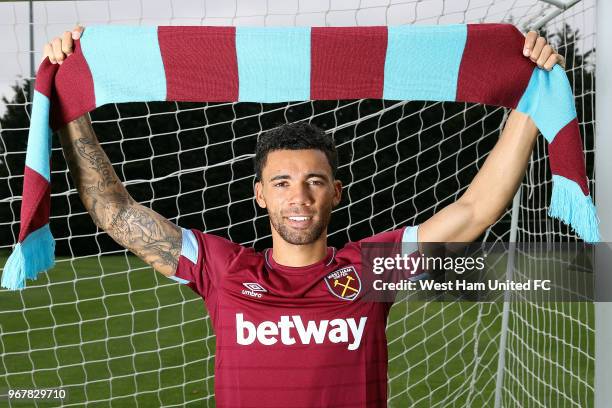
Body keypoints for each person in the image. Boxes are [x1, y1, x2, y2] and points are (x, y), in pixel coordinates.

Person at [44, 26, 565, 407]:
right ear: (260, 196)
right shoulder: (223, 270)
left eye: (314, 182)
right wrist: (74, 99)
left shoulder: (368, 269)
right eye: (282, 183)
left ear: (335, 192)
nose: (300, 197)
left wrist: (530, 98)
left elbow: (475, 210)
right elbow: (113, 209)